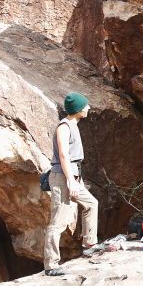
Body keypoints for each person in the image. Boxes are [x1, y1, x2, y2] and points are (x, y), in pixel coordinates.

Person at [44, 92, 99, 276]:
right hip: (62, 177)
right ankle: (51, 265)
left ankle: (89, 244)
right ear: (77, 109)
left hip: (74, 176)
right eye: (85, 106)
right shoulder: (64, 127)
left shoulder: (74, 125)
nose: (88, 108)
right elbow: (63, 155)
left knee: (91, 204)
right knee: (58, 220)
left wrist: (76, 180)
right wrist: (70, 181)